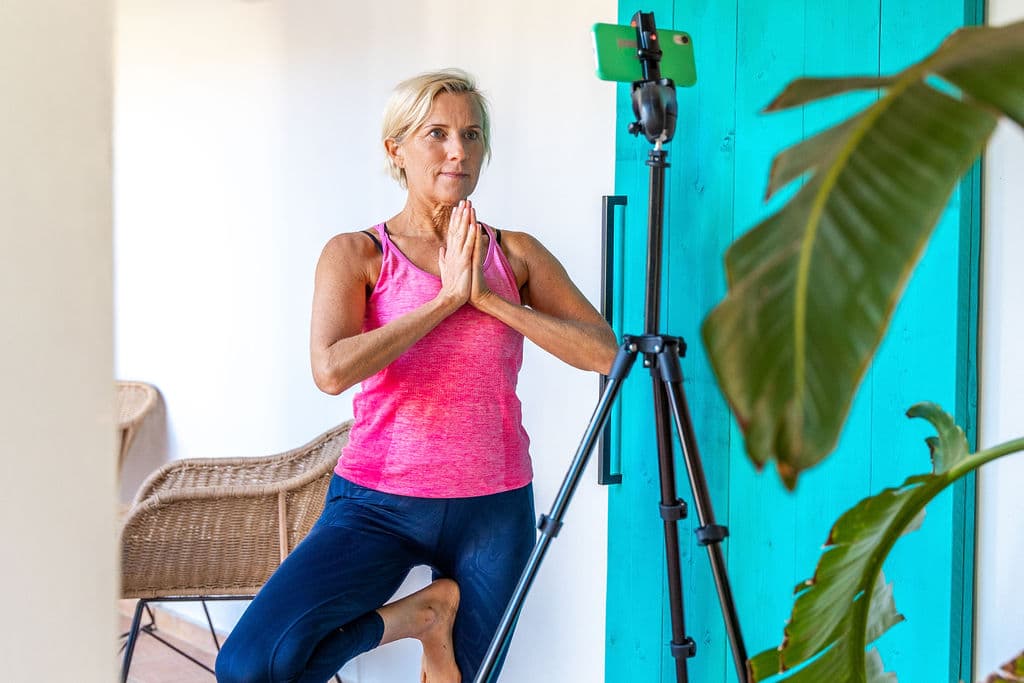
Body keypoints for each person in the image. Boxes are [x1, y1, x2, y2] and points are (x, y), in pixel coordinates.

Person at [215, 69, 617, 683]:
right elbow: (330, 370)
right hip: (378, 504)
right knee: (252, 667)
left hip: (494, 505)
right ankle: (419, 617)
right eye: (437, 133)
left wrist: (489, 300)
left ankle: (432, 622)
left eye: (472, 134)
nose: (459, 150)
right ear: (396, 150)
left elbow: (604, 353)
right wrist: (445, 301)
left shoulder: (515, 254)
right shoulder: (357, 253)